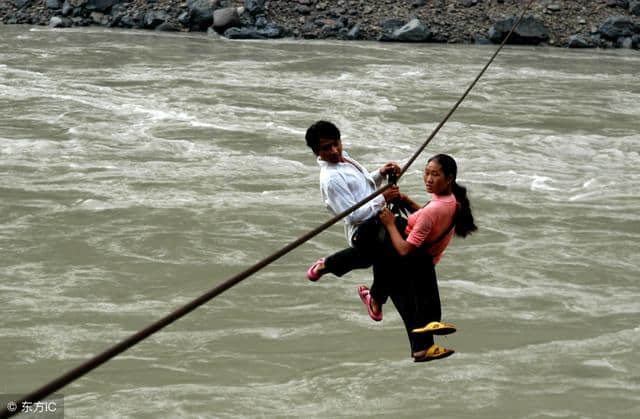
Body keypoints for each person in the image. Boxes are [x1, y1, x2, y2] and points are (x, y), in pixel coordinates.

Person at [361, 153, 477, 362]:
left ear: (449, 179)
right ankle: (377, 301)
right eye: (427, 173)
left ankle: (374, 299)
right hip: (424, 258)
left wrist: (389, 223)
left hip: (412, 258)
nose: (429, 179)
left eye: (435, 175)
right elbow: (426, 216)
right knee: (416, 301)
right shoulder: (452, 201)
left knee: (407, 300)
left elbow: (405, 249)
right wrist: (406, 201)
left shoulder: (433, 209)